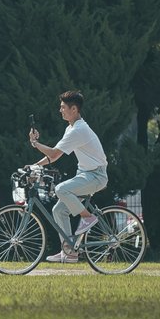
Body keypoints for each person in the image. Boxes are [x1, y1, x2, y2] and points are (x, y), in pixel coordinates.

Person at [27, 90, 108, 263]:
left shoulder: (78, 130)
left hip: (96, 176)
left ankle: (87, 217)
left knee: (60, 189)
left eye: (63, 107)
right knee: (58, 210)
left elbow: (54, 154)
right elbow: (54, 156)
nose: (60, 110)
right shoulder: (71, 128)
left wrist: (35, 143)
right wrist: (35, 165)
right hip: (86, 175)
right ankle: (69, 252)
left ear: (74, 109)